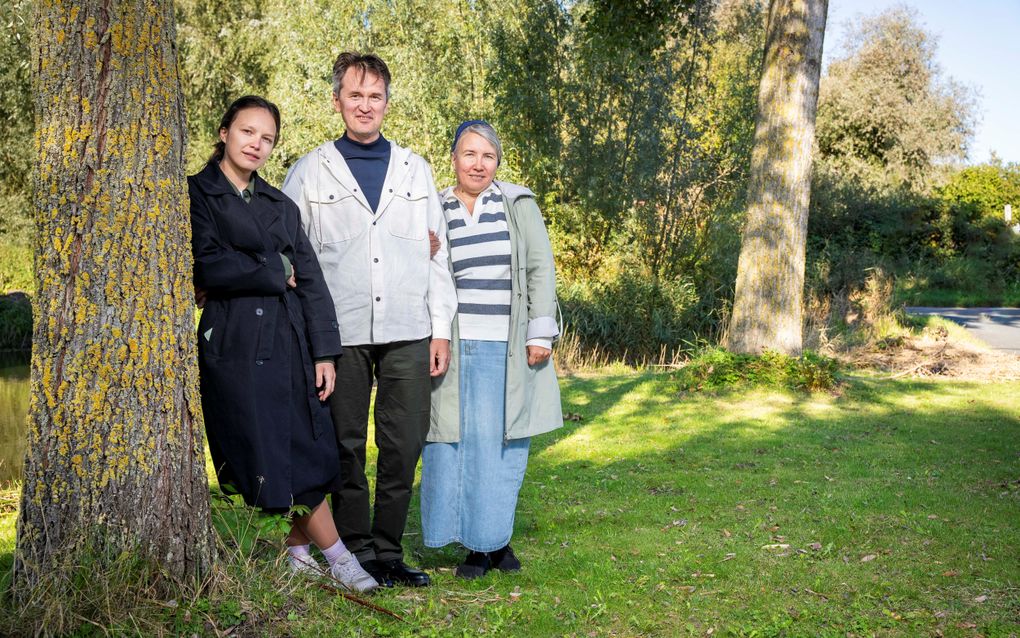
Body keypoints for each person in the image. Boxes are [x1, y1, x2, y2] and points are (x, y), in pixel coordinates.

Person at [282, 53, 457, 588]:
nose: (365, 106)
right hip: (341, 334)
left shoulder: (415, 168)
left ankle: (389, 551)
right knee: (346, 445)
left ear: (386, 102)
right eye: (354, 96)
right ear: (337, 101)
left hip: (409, 328)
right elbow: (291, 256)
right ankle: (353, 552)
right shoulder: (311, 170)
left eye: (374, 96)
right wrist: (310, 339)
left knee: (404, 444)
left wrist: (441, 329)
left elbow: (437, 255)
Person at [190, 95, 378, 593]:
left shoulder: (280, 204)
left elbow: (311, 280)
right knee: (265, 449)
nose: (257, 144)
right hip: (234, 339)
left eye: (267, 138)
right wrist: (274, 268)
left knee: (306, 447)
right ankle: (339, 557)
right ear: (225, 131)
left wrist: (324, 352)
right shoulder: (195, 193)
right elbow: (207, 264)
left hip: (291, 339)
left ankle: (301, 552)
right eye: (248, 131)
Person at [420, 120, 563, 579]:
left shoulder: (516, 203)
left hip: (508, 346)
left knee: (502, 447)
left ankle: (490, 544)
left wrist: (540, 333)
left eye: (488, 155)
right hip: (454, 345)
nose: (478, 163)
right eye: (469, 154)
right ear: (454, 158)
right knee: (454, 444)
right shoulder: (434, 206)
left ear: (497, 162)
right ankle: (481, 544)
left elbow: (541, 267)